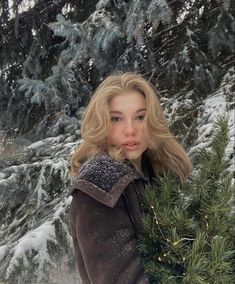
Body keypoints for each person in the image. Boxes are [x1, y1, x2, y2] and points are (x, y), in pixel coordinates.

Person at [69, 72, 192, 284]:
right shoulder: (99, 187)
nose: (130, 130)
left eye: (140, 117)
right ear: (101, 123)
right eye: (116, 118)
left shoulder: (154, 171)